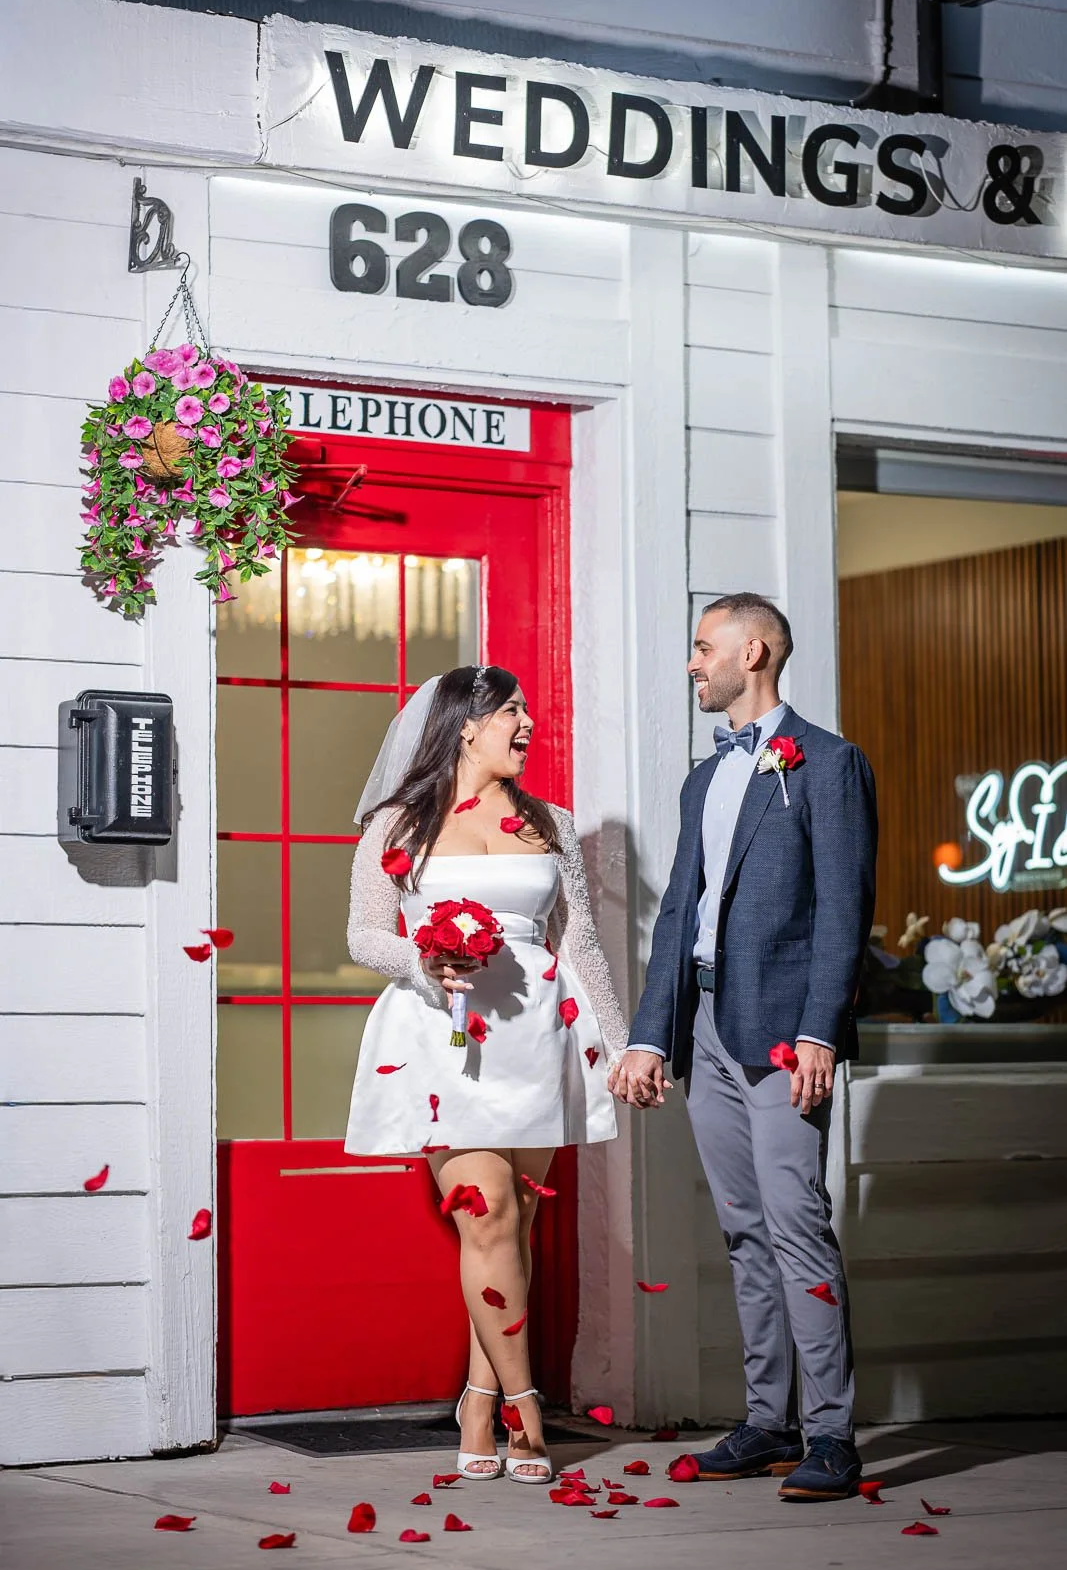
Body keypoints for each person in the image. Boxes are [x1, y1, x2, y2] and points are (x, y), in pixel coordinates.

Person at [611, 593, 877, 1502]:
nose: (692, 664)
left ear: (751, 652)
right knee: (741, 1229)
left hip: (781, 1039)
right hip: (705, 1034)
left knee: (797, 1225)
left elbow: (844, 909)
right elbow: (677, 915)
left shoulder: (829, 766)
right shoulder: (703, 778)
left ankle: (832, 1437)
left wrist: (817, 1032)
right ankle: (768, 1421)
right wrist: (651, 1035)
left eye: (701, 648)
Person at [344, 665, 626, 1484]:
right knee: (488, 1211)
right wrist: (426, 961)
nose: (528, 722)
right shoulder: (397, 823)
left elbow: (577, 943)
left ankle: (477, 1397)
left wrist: (622, 1045)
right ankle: (526, 1407)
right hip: (441, 1037)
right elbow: (365, 934)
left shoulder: (553, 824)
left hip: (536, 1034)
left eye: (527, 710)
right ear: (465, 726)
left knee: (512, 1226)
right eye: (512, 710)